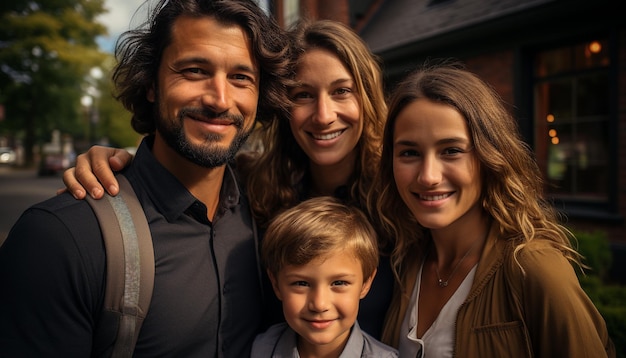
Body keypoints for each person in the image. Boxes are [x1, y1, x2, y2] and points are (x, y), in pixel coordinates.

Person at [61, 19, 394, 339]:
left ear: (366, 97)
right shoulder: (258, 187)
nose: (323, 115)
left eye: (341, 91)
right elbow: (187, 161)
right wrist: (126, 162)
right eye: (303, 95)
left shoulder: (399, 198)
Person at [0, 0, 291, 356]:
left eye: (241, 78)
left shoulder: (270, 213)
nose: (220, 99)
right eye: (195, 70)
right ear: (151, 84)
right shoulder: (60, 239)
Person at [369, 61, 616, 357]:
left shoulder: (534, 268)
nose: (428, 176)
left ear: (490, 156)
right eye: (409, 152)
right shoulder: (402, 260)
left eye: (452, 151)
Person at [252, 196, 398, 358]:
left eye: (339, 282)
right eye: (301, 283)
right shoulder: (258, 350)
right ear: (276, 284)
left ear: (365, 283)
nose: (320, 304)